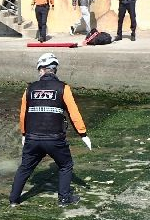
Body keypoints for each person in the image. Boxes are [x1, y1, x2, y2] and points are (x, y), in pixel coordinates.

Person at [9, 53, 91, 208]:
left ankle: (13, 199)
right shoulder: (63, 88)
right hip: (55, 139)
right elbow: (74, 113)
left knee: (25, 168)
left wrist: (24, 134)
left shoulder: (29, 89)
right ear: (54, 70)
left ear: (41, 70)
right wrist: (83, 134)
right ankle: (64, 199)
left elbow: (23, 114)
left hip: (33, 139)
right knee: (66, 165)